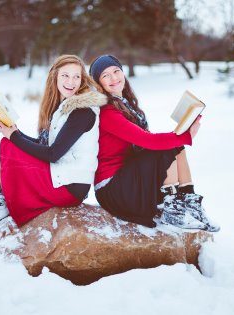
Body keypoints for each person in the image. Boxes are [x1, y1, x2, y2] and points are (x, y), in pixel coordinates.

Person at [0, 55, 107, 231]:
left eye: (76, 76)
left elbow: (53, 154)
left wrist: (14, 137)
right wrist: (15, 133)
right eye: (65, 75)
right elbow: (47, 147)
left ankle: (0, 206)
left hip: (70, 187)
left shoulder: (82, 111)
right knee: (9, 144)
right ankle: (0, 204)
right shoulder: (66, 107)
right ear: (55, 77)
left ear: (82, 80)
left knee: (9, 145)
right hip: (62, 176)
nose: (71, 81)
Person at [89, 54, 219, 232]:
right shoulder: (107, 112)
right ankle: (172, 208)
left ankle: (190, 203)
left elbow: (145, 142)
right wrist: (184, 136)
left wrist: (181, 133)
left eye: (116, 71)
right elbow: (147, 141)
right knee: (165, 148)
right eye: (105, 75)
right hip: (112, 188)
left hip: (128, 177)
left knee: (174, 147)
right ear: (99, 83)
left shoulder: (125, 104)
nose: (114, 78)